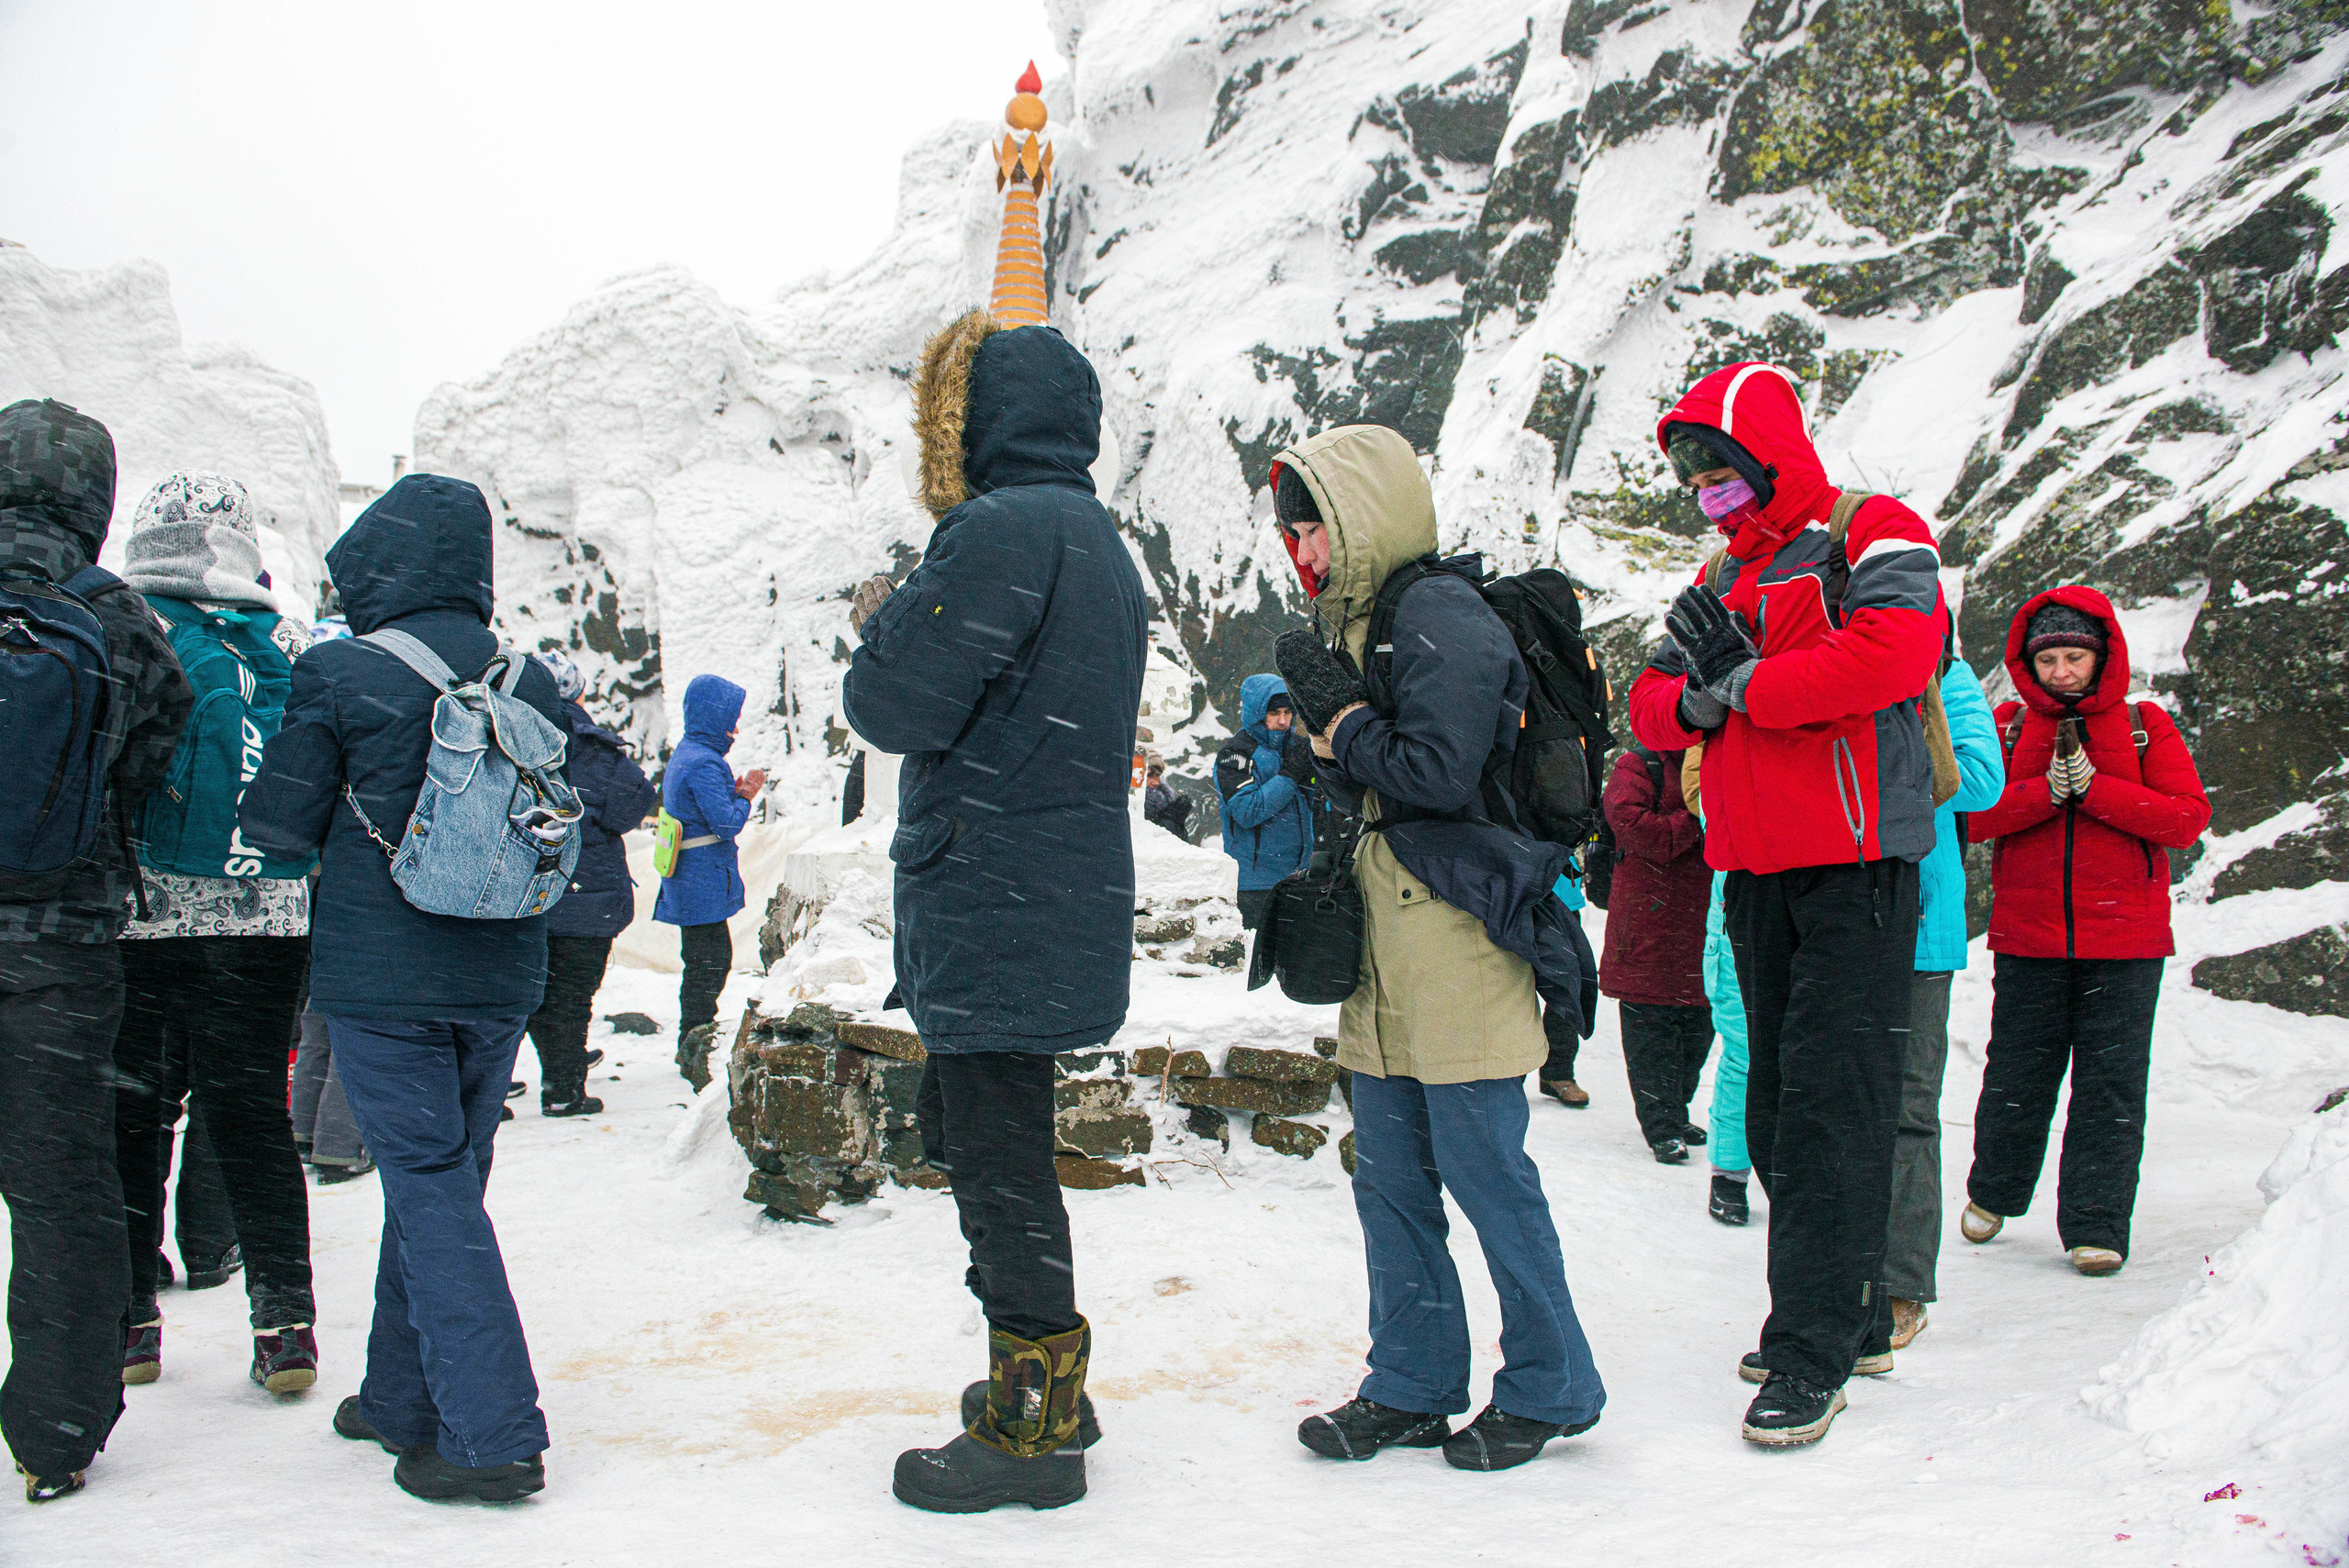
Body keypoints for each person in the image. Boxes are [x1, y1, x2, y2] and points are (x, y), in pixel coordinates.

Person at [842, 312, 1146, 1512]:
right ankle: (1051, 1384)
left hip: (993, 895)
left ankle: (1035, 1436)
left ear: (976, 421)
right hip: (1049, 889)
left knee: (998, 1160)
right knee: (999, 1142)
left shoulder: (997, 532)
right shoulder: (1093, 538)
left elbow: (891, 704)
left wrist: (889, 612)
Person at [1266, 423, 1606, 1474]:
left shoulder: (1441, 614)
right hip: (1388, 944)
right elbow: (1372, 784)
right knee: (1393, 1180)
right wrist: (1329, 739)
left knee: (1485, 1172)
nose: (1302, 549)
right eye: (1290, 531)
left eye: (1313, 523)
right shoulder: (1366, 623)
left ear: (1363, 517)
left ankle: (1552, 1385)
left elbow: (1439, 768)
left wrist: (1341, 726)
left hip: (1461, 937)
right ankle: (1411, 1384)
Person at [1628, 361, 1946, 1448]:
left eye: (1719, 471)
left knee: (1830, 1108)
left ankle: (1809, 1348)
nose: (1707, 493)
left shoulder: (1872, 531)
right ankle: (1849, 1312)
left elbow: (1893, 653)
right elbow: (1649, 705)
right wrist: (1708, 691)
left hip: (1860, 869)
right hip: (1757, 872)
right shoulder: (1722, 574)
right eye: (1694, 480)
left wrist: (1744, 686)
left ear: (1765, 458)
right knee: (1772, 1110)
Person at [239, 473, 569, 1504]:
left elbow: (277, 830)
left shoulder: (342, 670)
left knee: (427, 1186)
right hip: (505, 974)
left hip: (384, 983)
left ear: (379, 563)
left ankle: (490, 1434)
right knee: (442, 1183)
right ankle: (398, 1395)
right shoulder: (533, 678)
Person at [0, 400, 192, 1504]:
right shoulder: (115, 614)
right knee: (60, 1178)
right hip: (65, 942)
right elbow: (155, 761)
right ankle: (56, 1430)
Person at [109, 472, 319, 1396]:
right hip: (266, 915)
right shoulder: (290, 643)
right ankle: (285, 1321)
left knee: (135, 1115)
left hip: (139, 914)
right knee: (252, 1120)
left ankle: (130, 1320)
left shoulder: (124, 631)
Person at [1960, 589, 2209, 1277]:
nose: (2063, 671)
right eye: (2049, 659)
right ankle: (1994, 1193)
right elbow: (1972, 818)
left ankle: (2096, 1225)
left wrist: (2096, 789)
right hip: (2029, 937)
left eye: (2075, 656)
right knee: (2017, 1072)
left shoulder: (2143, 725)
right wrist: (2047, 791)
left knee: (2111, 1085)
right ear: (2027, 663)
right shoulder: (2007, 725)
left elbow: (2186, 818)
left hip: (2126, 944)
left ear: (2103, 657)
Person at [1883, 651, 2004, 1344]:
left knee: (1906, 1109)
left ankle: (1903, 1283)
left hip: (1921, 926)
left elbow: (1981, 781)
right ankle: (1847, 1270)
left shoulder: (1947, 679)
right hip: (1833, 917)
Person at [526, 649, 654, 1116]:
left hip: (517, 893)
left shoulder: (503, 738)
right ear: (577, 691)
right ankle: (563, 1089)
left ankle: (496, 1082)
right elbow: (633, 802)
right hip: (583, 894)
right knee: (572, 995)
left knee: (524, 994)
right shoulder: (590, 749)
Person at [1594, 740, 1713, 1162]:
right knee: (1651, 1030)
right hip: (1647, 925)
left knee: (1698, 1027)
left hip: (1701, 925)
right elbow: (1640, 831)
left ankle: (1675, 1112)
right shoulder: (1638, 765)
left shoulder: (1720, 756)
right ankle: (1660, 1124)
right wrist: (1696, 816)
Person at [653, 673, 760, 1084]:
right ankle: (694, 1043)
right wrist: (745, 795)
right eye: (731, 718)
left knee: (703, 961)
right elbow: (726, 823)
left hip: (690, 876)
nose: (735, 728)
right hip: (702, 878)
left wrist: (728, 792)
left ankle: (693, 1037)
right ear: (715, 718)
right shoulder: (704, 761)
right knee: (709, 964)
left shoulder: (689, 751)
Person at [1214, 674, 1319, 928]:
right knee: (1257, 960)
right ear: (1257, 713)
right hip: (1256, 884)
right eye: (1274, 713)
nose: (1283, 721)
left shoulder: (1299, 748)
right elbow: (1246, 811)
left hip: (1302, 877)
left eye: (1287, 712)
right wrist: (1290, 776)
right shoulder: (1236, 755)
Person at [1141, 760, 1193, 841]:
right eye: (1149, 775)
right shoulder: (1135, 803)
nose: (1155, 783)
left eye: (1157, 775)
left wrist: (1178, 823)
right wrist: (1171, 819)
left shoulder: (1167, 799)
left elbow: (1181, 845)